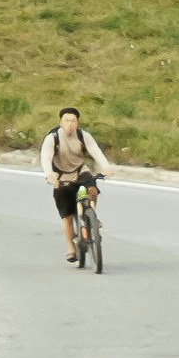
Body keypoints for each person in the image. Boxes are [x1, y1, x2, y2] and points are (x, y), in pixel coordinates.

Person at [39, 104, 110, 261]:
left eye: (73, 120)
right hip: (61, 176)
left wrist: (106, 167)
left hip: (80, 171)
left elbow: (95, 151)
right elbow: (46, 156)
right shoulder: (53, 138)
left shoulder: (83, 135)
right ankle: (71, 248)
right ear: (60, 122)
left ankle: (92, 216)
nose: (70, 124)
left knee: (92, 189)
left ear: (77, 122)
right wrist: (49, 174)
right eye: (67, 120)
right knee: (67, 216)